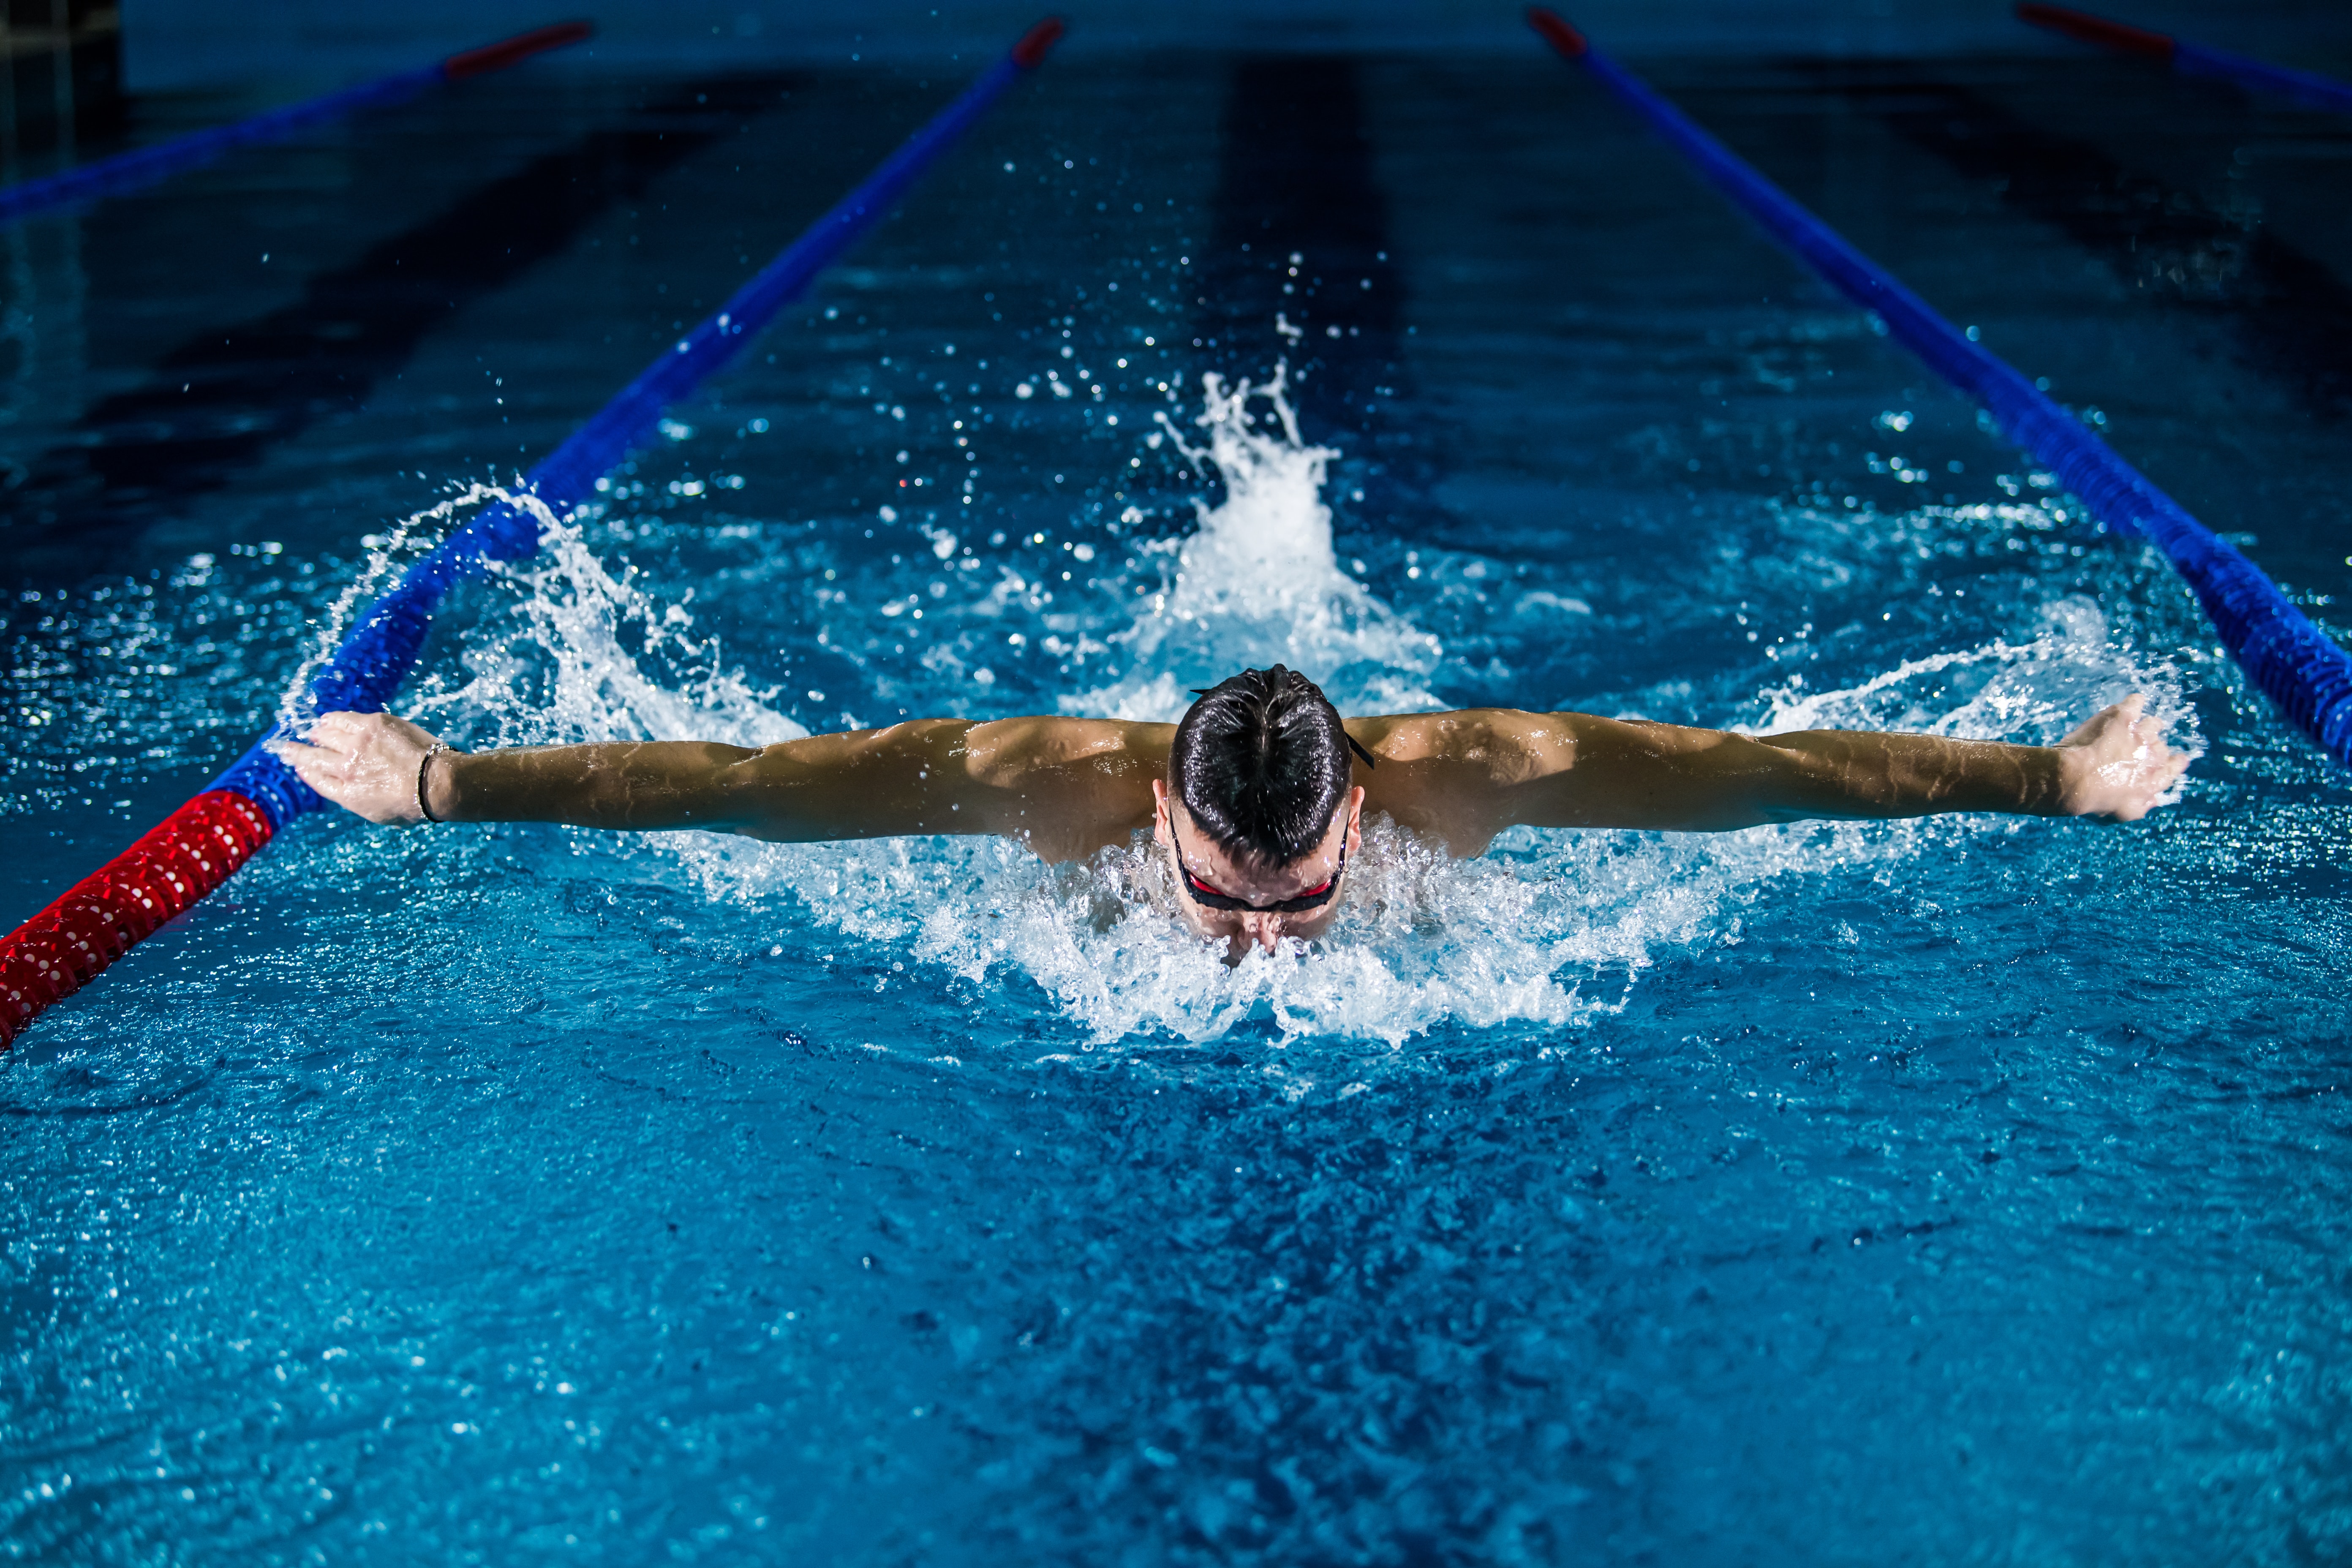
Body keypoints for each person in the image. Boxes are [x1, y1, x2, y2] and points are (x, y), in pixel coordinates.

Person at [280, 665, 2189, 958]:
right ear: (1164, 820)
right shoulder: (1044, 791)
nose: (1254, 942)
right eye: (1222, 892)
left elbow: (1770, 772)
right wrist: (444, 782)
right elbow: (755, 793)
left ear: (1366, 801)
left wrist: (2053, 780)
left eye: (1292, 901)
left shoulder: (1486, 773)